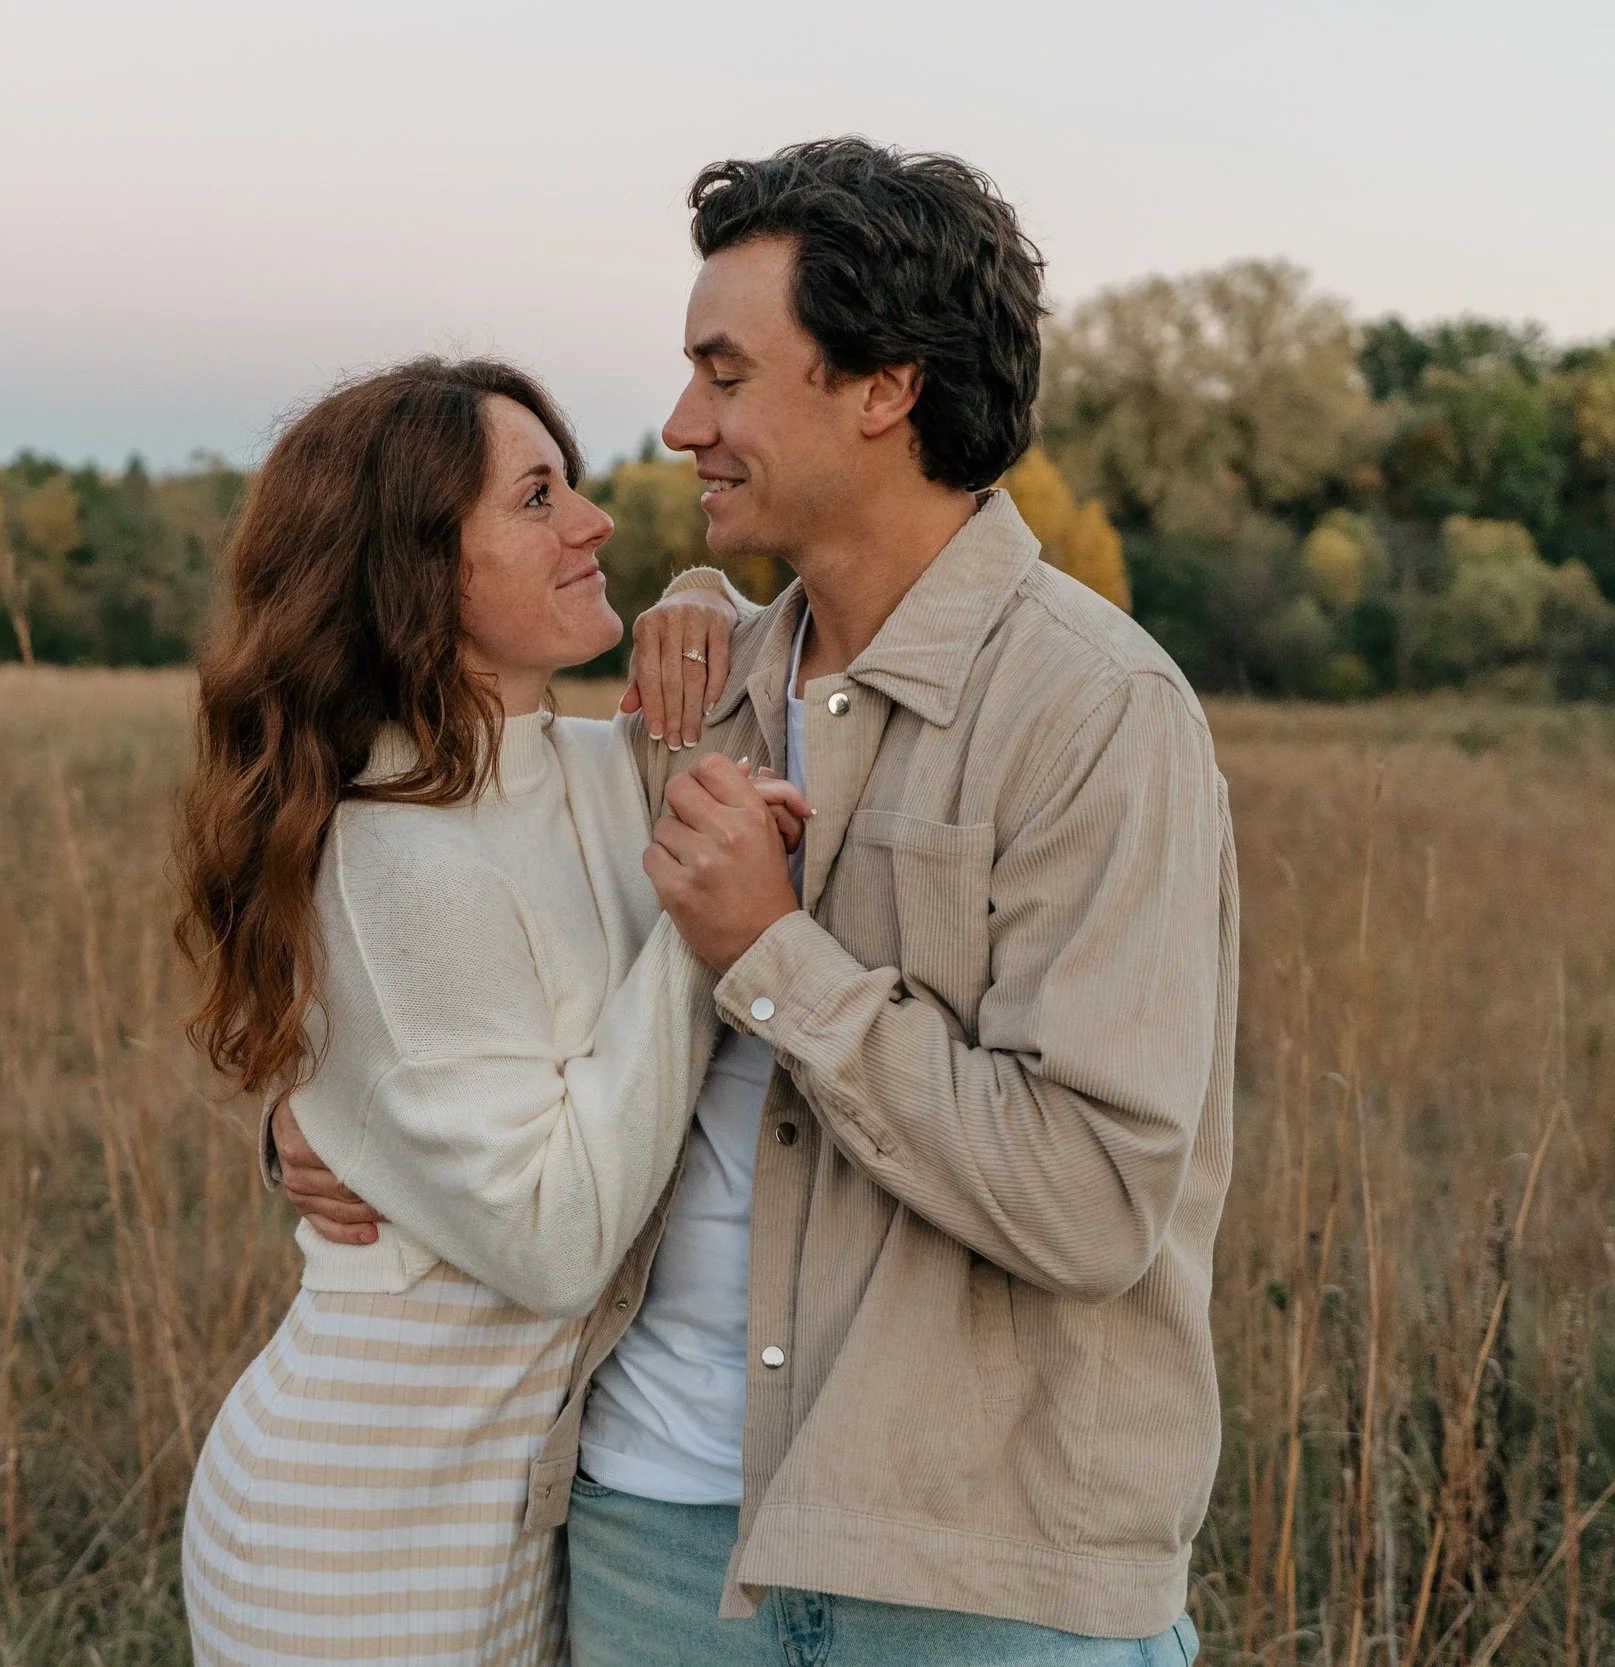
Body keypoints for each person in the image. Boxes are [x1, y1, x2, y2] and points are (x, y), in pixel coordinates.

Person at [274, 138, 1236, 1665]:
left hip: (970, 1575)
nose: (677, 427)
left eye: (725, 375)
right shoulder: (699, 697)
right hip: (653, 1543)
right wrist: (320, 1120)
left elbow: (1095, 1196)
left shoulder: (1096, 710)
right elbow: (479, 962)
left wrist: (774, 956)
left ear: (884, 388)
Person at [172, 356, 808, 1666]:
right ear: (416, 566)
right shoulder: (394, 856)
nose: (595, 520)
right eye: (537, 497)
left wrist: (703, 599)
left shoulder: (580, 767)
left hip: (514, 1520)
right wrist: (711, 931)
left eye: (570, 483)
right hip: (354, 1536)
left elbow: (750, 691)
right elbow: (553, 1235)